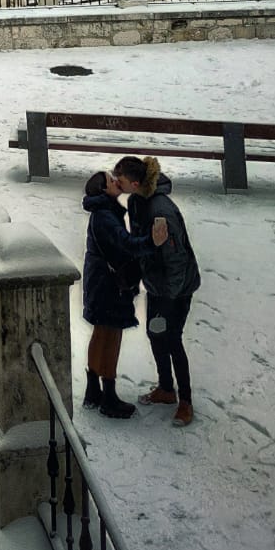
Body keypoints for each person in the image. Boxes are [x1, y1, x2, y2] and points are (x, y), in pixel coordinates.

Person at [114, 154, 202, 426]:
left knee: (172, 338)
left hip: (176, 289)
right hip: (156, 285)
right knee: (155, 333)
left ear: (136, 182)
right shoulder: (135, 202)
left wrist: (170, 296)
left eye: (120, 180)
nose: (116, 184)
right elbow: (143, 244)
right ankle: (166, 388)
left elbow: (176, 259)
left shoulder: (160, 210)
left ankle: (185, 400)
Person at [80, 171, 169, 419]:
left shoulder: (103, 212)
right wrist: (152, 241)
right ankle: (108, 395)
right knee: (111, 334)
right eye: (110, 180)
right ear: (103, 190)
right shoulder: (105, 216)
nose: (115, 180)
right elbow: (125, 245)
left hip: (100, 282)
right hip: (110, 285)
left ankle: (93, 390)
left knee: (101, 332)